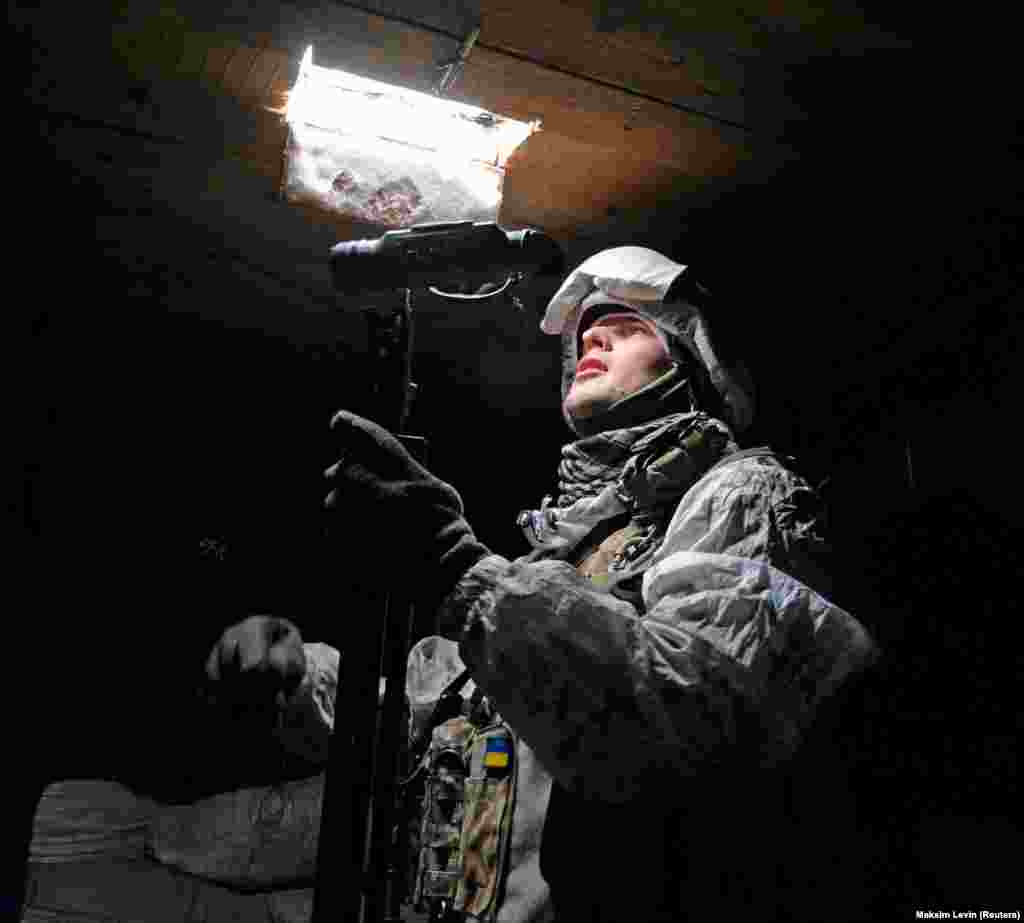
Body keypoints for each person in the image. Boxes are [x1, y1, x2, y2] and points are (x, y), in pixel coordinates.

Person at [221, 246, 880, 922]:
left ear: (691, 367)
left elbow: (690, 712)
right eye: (590, 328)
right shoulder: (561, 559)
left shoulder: (741, 494)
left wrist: (454, 563)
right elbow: (429, 711)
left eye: (629, 326)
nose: (593, 335)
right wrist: (303, 677)